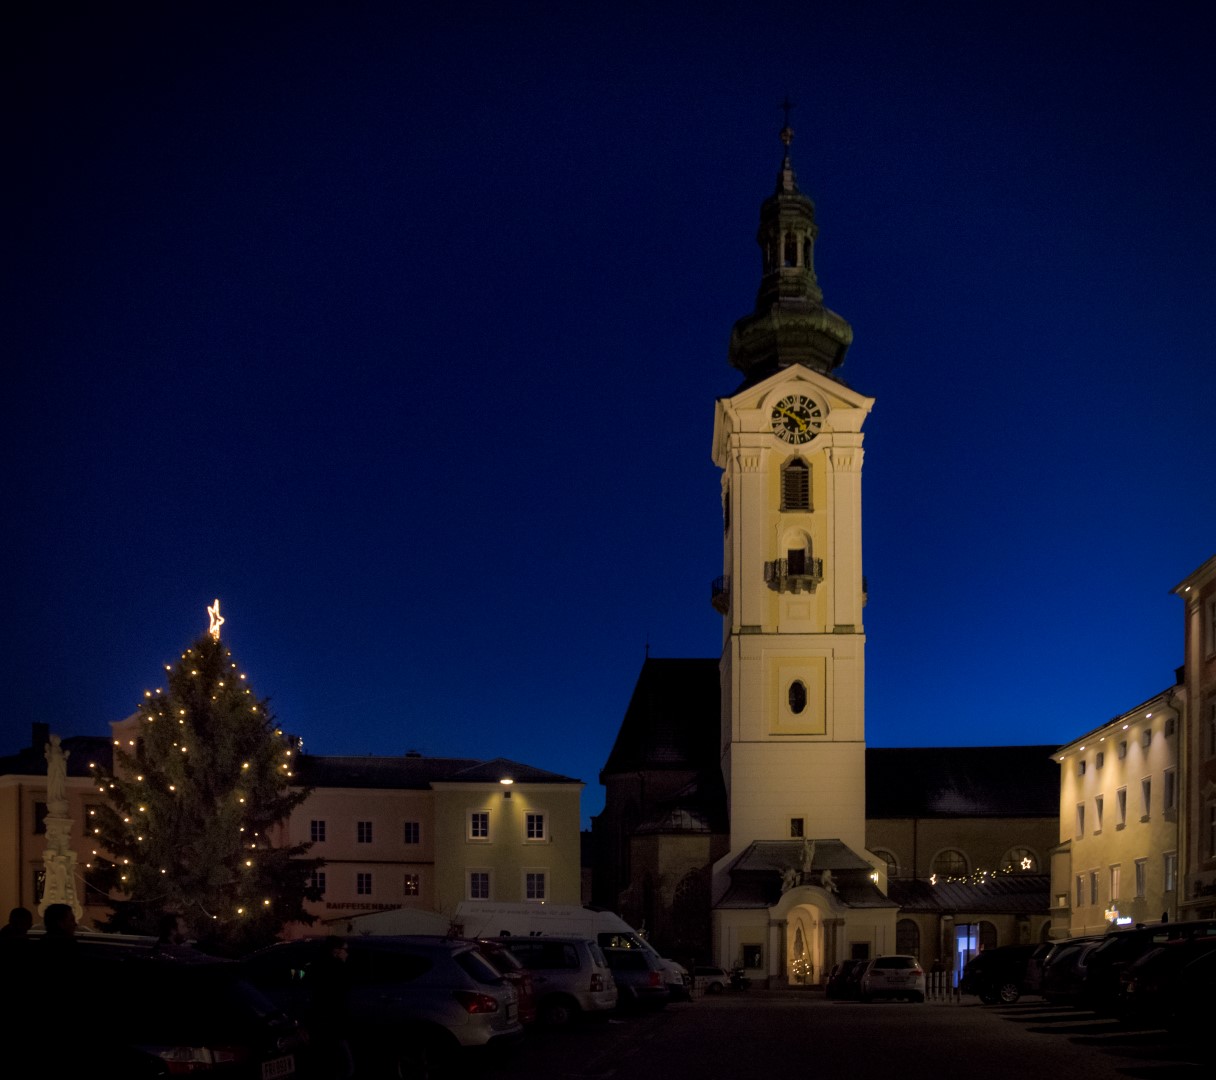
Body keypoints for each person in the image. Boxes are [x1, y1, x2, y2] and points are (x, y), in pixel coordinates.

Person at [308, 937, 355, 1079]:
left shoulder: (322, 966)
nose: (346, 953)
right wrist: (342, 964)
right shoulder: (332, 968)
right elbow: (342, 985)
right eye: (344, 950)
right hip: (332, 1023)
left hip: (328, 1023)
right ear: (336, 951)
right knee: (344, 1065)